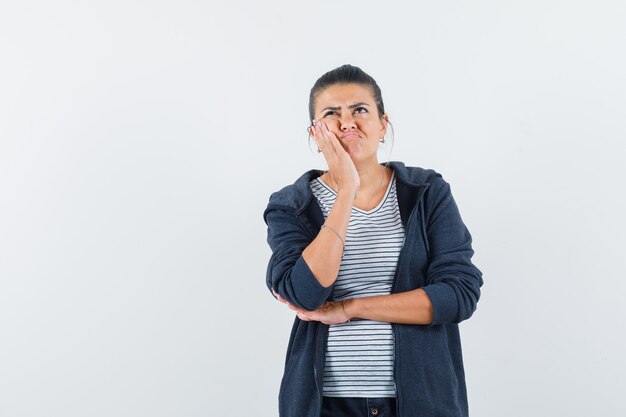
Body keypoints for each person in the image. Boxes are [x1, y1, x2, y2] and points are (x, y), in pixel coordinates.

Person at [263, 64, 483, 417]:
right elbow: (304, 293)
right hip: (325, 404)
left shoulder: (426, 193)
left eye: (360, 110)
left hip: (421, 401)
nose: (347, 122)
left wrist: (351, 308)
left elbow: (459, 294)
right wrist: (347, 189)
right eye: (332, 114)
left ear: (382, 124)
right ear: (314, 134)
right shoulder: (291, 204)